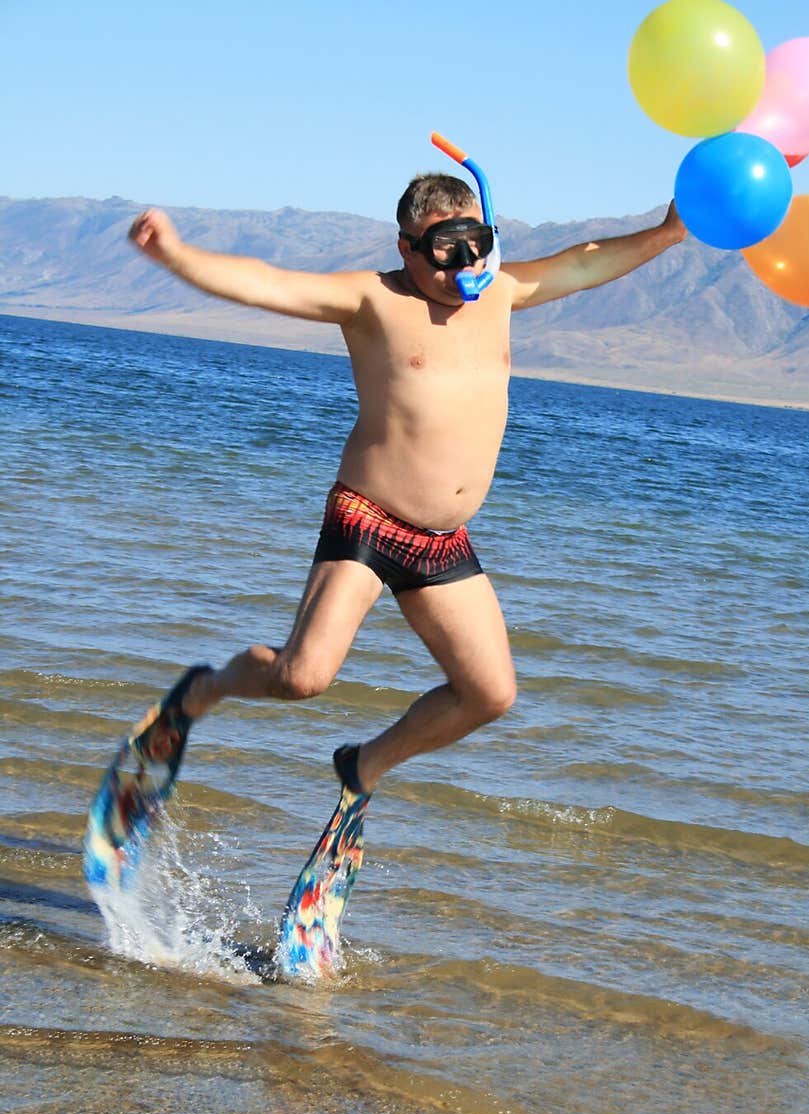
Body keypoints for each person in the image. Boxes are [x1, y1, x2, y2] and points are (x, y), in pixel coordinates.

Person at [127, 170, 686, 798]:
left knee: (490, 693)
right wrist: (175, 254)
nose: (462, 269)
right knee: (301, 677)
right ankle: (204, 689)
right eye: (444, 254)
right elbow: (267, 282)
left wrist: (670, 232)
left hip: (443, 541)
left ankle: (362, 766)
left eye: (475, 246)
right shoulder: (374, 301)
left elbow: (587, 264)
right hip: (369, 520)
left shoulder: (500, 292)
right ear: (407, 249)